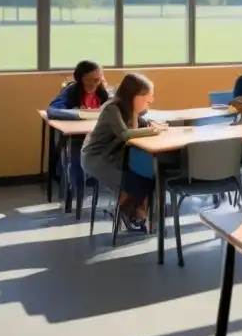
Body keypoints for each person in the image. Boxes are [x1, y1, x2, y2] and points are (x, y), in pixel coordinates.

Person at [81, 73, 167, 233]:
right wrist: (152, 130)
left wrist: (146, 121)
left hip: (117, 157)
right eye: (145, 98)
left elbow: (139, 128)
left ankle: (137, 214)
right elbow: (125, 134)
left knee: (148, 179)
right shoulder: (112, 108)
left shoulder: (132, 110)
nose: (149, 101)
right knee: (132, 184)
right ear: (133, 95)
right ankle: (129, 213)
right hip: (98, 158)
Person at [46, 60, 110, 195]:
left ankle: (95, 178)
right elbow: (52, 110)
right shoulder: (71, 91)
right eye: (91, 80)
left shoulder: (103, 92)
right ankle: (77, 186)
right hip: (77, 136)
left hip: (98, 135)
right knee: (77, 155)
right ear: (81, 78)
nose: (95, 83)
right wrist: (81, 113)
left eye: (98, 80)